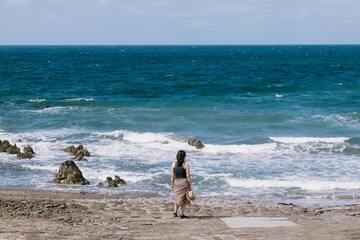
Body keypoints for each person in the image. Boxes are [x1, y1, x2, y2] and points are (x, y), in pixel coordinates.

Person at [170, 150, 192, 218]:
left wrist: (172, 183)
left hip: (176, 182)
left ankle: (175, 212)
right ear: (184, 156)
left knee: (177, 198)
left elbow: (172, 175)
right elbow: (188, 176)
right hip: (184, 183)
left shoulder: (174, 163)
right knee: (184, 199)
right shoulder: (186, 164)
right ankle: (181, 214)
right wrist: (190, 185)